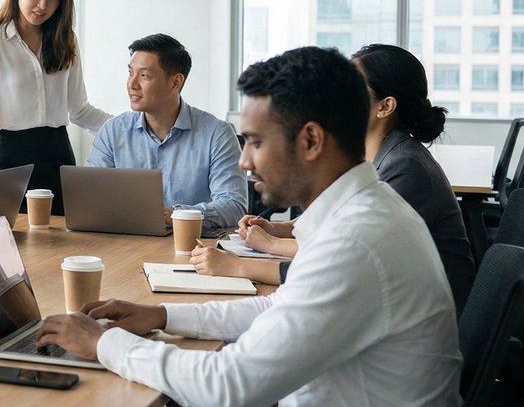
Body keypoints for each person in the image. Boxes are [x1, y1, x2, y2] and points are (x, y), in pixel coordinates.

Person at [38, 46, 460, 407]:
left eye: (256, 141)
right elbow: (280, 306)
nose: (243, 161)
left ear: (311, 140)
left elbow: (231, 389)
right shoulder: (354, 209)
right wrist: (163, 315)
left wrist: (104, 343)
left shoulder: (357, 240)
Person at [192, 44, 476, 312]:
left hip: (415, 313)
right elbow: (334, 225)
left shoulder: (405, 167)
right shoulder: (375, 156)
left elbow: (338, 258)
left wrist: (245, 262)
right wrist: (282, 229)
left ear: (385, 106)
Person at [0, 0, 110, 216]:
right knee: (15, 247)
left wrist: (130, 129)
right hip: (10, 161)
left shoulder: (67, 41)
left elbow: (79, 110)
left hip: (58, 156)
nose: (43, 5)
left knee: (65, 244)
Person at [86, 33, 246, 229]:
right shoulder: (113, 131)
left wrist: (176, 214)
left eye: (144, 75)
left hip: (191, 246)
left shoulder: (217, 134)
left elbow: (234, 206)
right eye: (130, 73)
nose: (132, 84)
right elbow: (91, 199)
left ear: (175, 82)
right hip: (126, 241)